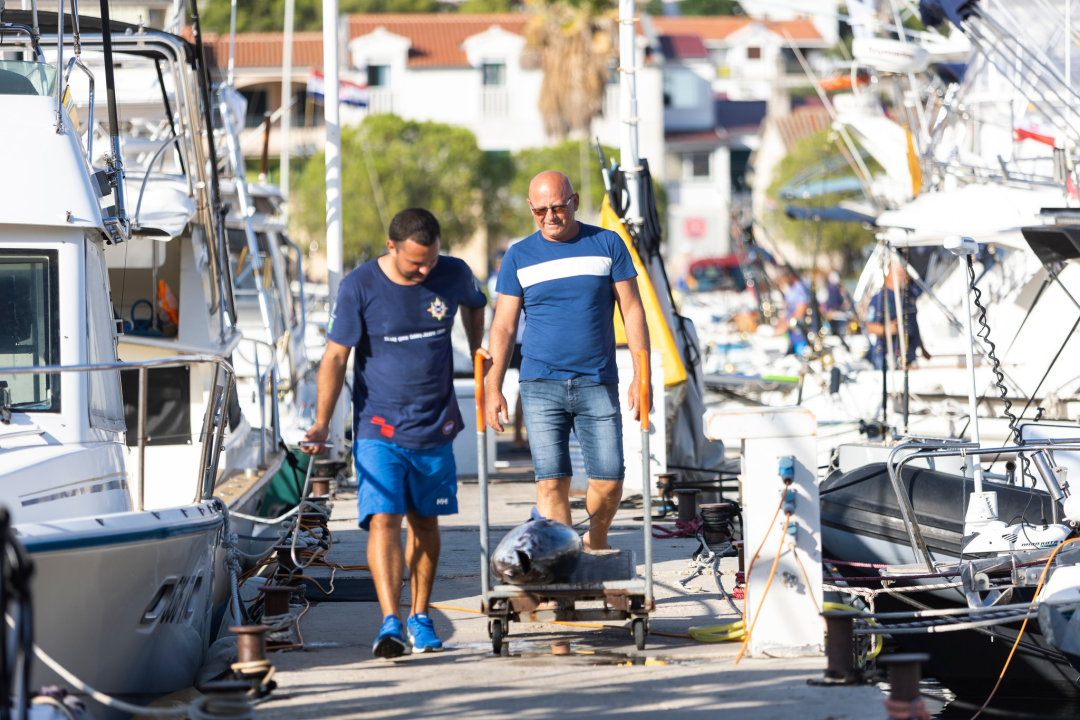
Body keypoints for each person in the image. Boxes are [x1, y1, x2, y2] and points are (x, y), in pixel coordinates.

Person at [301, 208, 486, 658]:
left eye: (431, 261)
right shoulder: (359, 286)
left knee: (425, 521)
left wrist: (478, 353)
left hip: (435, 424)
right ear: (391, 248)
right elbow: (334, 359)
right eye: (414, 263)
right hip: (377, 426)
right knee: (384, 519)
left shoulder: (454, 273)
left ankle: (421, 616)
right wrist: (323, 423)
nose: (425, 271)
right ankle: (390, 621)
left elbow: (476, 305)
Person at [484, 171, 650, 554]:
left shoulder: (607, 243)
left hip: (597, 381)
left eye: (558, 207)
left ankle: (596, 541)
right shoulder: (518, 255)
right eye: (540, 210)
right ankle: (563, 561)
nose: (550, 217)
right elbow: (504, 326)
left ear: (574, 201)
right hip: (540, 384)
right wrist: (492, 387)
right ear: (530, 208)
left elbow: (633, 310)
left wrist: (642, 375)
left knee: (610, 480)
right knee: (551, 483)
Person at [865, 263, 925, 370]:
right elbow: (869, 327)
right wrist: (886, 328)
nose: (905, 278)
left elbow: (913, 325)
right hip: (889, 359)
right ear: (890, 274)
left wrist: (923, 349)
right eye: (901, 274)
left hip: (909, 356)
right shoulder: (879, 299)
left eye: (906, 274)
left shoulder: (909, 294)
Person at [774, 266, 815, 355]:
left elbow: (800, 314)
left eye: (782, 278)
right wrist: (777, 327)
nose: (781, 281)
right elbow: (786, 311)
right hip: (791, 335)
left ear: (790, 276)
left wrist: (782, 329)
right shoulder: (791, 289)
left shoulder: (801, 288)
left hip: (802, 336)